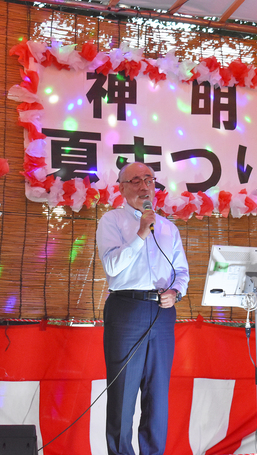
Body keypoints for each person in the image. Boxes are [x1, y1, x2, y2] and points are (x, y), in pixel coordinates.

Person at [95, 162, 190, 455]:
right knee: (123, 394)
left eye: (148, 179)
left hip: (162, 312)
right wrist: (140, 234)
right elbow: (112, 266)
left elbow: (181, 271)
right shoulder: (111, 221)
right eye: (135, 181)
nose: (143, 186)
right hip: (126, 309)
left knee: (157, 395)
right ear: (122, 189)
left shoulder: (168, 228)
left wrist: (176, 291)